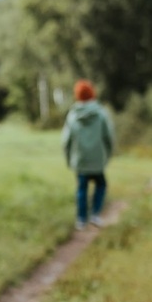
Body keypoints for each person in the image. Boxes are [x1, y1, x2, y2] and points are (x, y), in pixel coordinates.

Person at [62, 79, 115, 230]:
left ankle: (81, 219)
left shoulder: (73, 115)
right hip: (97, 159)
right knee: (101, 184)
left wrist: (68, 159)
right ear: (92, 94)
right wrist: (109, 154)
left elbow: (65, 141)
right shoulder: (101, 114)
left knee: (81, 189)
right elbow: (109, 137)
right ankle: (95, 214)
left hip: (80, 160)